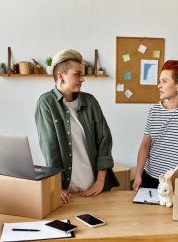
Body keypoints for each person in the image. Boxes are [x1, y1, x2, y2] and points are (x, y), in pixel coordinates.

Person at [35, 49, 119, 204]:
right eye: (77, 74)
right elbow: (50, 147)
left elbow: (104, 139)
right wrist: (57, 187)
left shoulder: (90, 101)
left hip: (95, 187)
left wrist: (100, 181)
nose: (83, 79)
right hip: (67, 190)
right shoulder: (46, 103)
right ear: (61, 76)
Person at [132, 60, 178, 190]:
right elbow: (146, 144)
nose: (159, 85)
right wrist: (138, 175)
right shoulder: (154, 110)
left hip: (173, 179)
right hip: (150, 175)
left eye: (164, 81)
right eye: (159, 81)